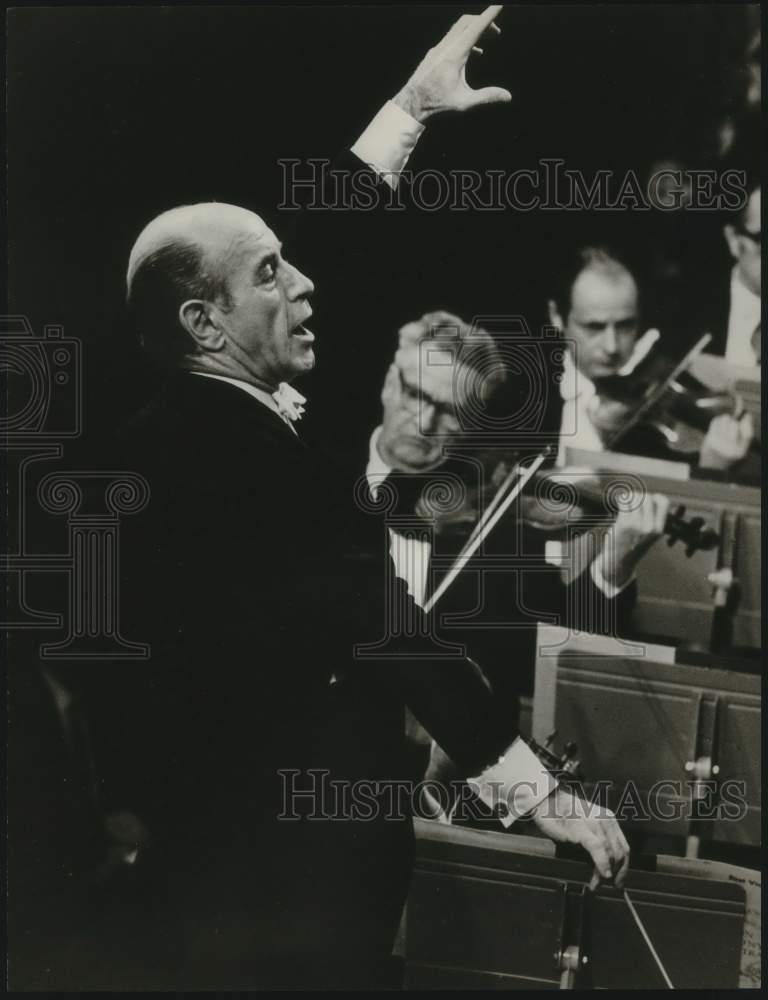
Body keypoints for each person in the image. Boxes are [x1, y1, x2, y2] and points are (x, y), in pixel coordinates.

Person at [89, 8, 629, 990]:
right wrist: (537, 793)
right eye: (271, 272)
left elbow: (319, 246)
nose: (303, 282)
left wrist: (412, 110)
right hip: (281, 885)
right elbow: (389, 631)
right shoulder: (247, 459)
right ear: (205, 321)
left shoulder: (189, 428)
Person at [365, 310, 669, 798]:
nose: (423, 422)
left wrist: (613, 569)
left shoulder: (502, 537)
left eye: (450, 411)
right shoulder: (314, 483)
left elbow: (560, 663)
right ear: (387, 381)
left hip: (444, 808)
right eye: (416, 393)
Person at [547, 244, 754, 473]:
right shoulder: (526, 394)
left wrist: (711, 468)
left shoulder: (656, 414)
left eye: (626, 326)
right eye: (594, 327)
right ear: (557, 316)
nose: (612, 346)